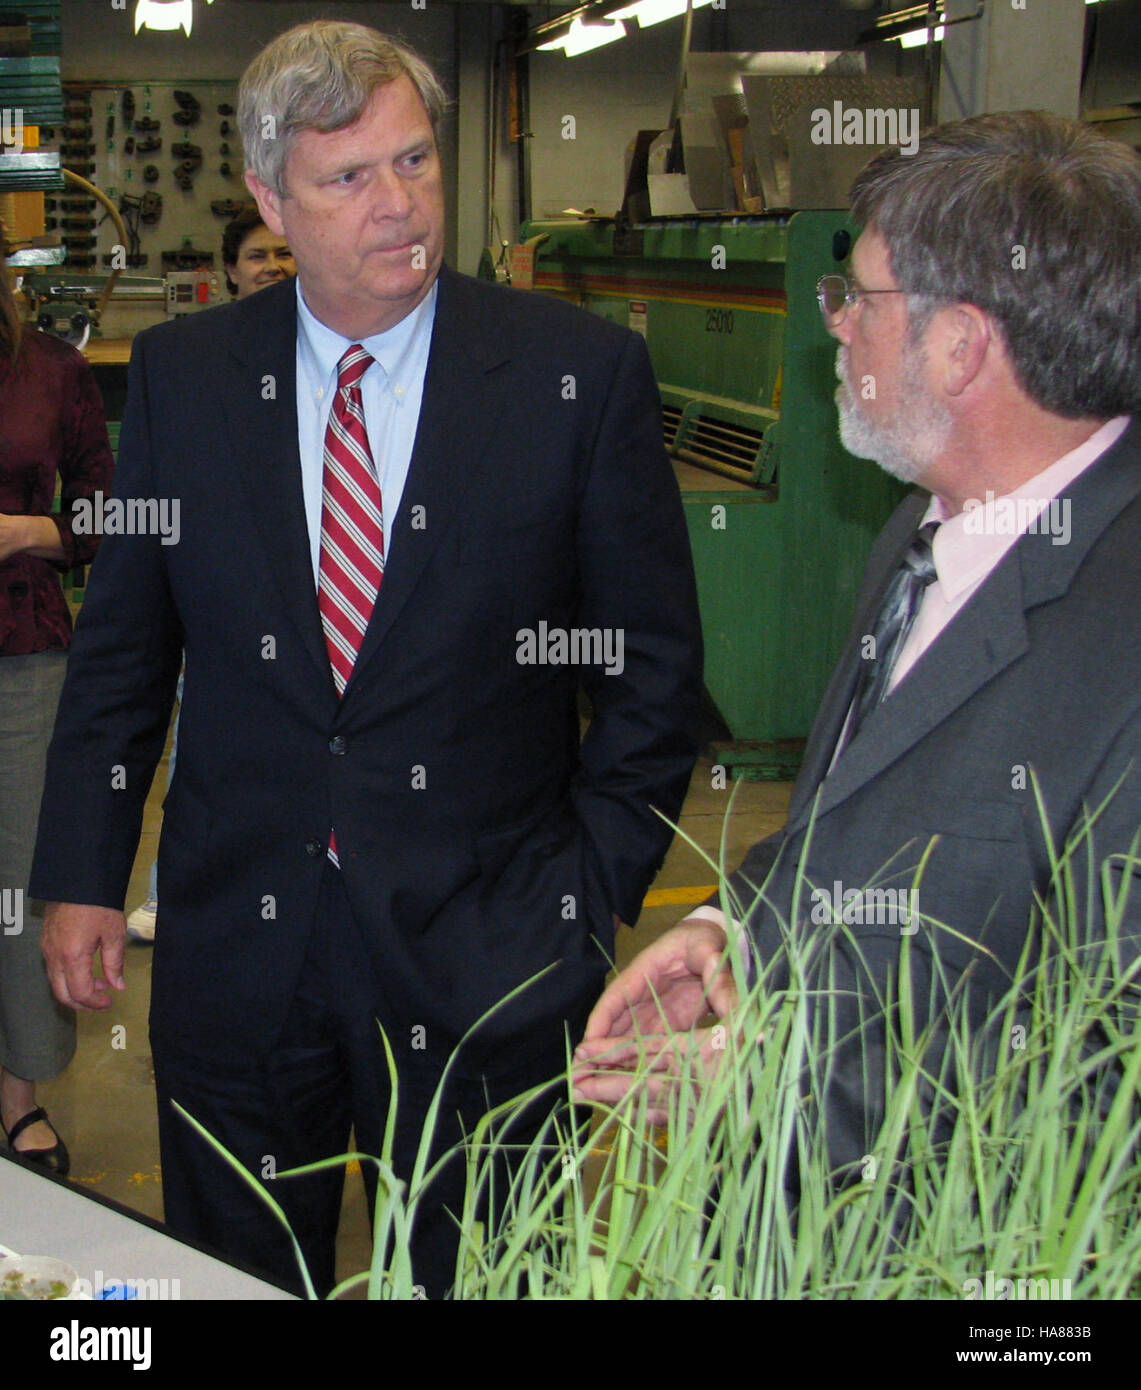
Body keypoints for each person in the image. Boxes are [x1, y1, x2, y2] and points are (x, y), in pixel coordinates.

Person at [30, 20, 702, 1297]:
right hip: (240, 946)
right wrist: (79, 872)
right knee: (234, 1270)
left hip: (488, 948)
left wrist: (592, 888)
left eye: (415, 163)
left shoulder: (575, 376)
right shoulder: (186, 378)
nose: (400, 208)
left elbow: (649, 670)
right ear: (269, 196)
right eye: (349, 179)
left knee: (483, 1275)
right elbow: (123, 649)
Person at [575, 112, 1141, 1167]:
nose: (831, 324)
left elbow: (1108, 1078)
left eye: (859, 299)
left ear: (962, 344)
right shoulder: (924, 530)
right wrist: (737, 930)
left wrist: (783, 1082)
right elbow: (862, 815)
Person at [126, 204, 295, 943]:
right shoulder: (191, 367)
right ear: (230, 270)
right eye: (258, 255)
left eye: (283, 253)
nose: (273, 267)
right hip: (220, 611)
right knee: (194, 745)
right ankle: (171, 895)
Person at [0, 237, 114, 1173]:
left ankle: (19, 1098)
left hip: (21, 660)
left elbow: (115, 511)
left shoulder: (52, 371)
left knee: (17, 888)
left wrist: (29, 533)